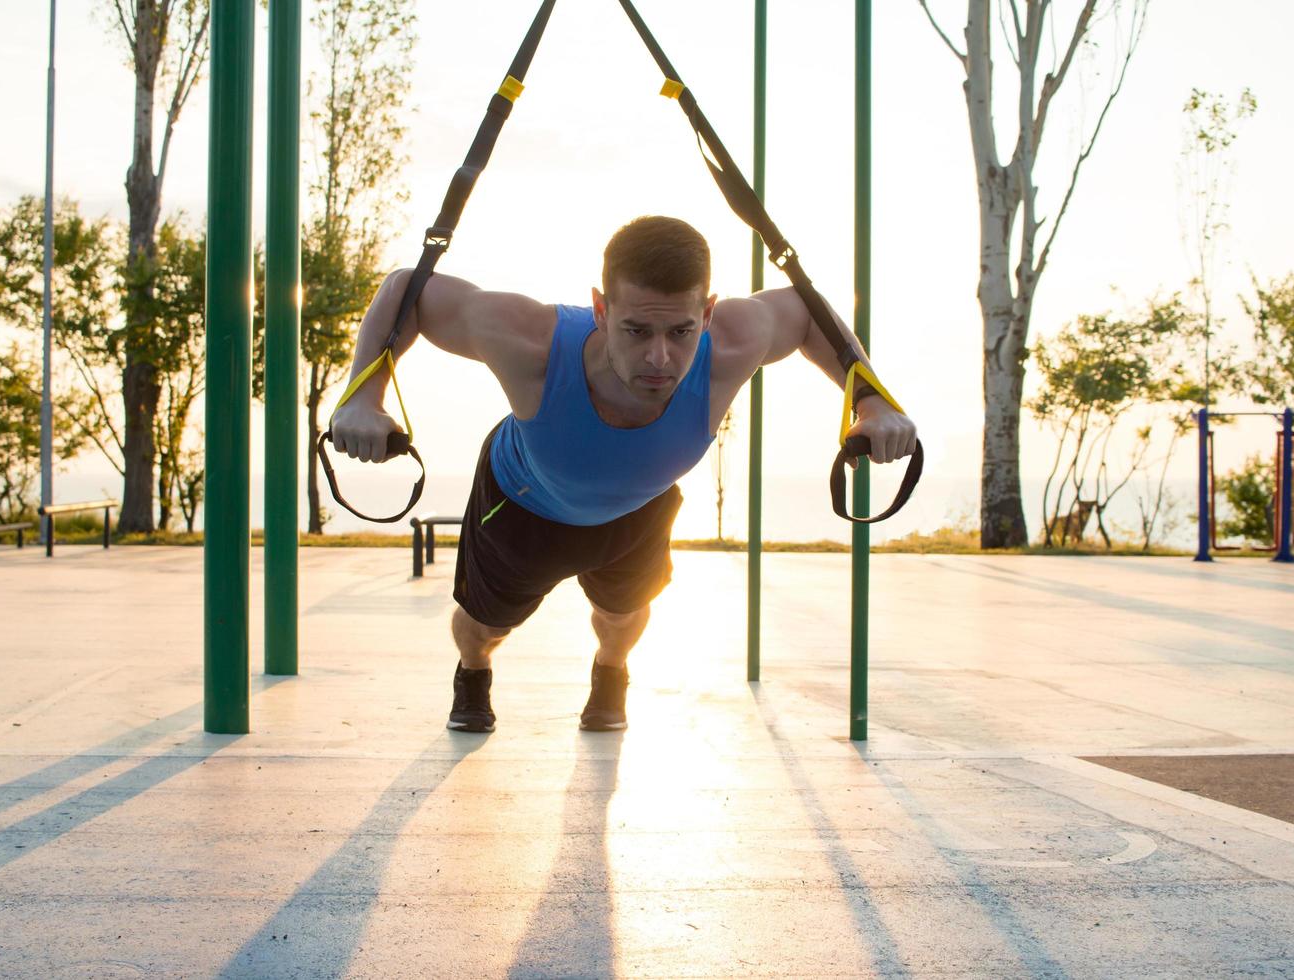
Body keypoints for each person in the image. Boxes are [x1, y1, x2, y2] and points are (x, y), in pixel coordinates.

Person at [330, 216, 918, 733]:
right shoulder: (531, 341)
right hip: (523, 503)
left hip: (639, 505)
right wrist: (363, 394)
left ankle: (611, 673)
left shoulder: (733, 343)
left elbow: (804, 306)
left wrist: (871, 400)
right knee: (484, 625)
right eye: (636, 330)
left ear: (707, 313)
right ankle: (474, 671)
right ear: (602, 309)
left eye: (681, 331)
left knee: (623, 617)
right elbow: (408, 287)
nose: (660, 358)